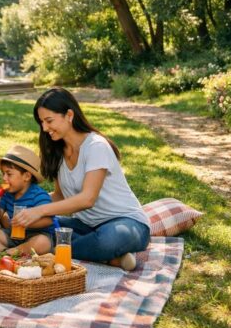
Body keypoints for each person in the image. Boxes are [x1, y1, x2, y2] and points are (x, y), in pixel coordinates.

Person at [12, 87, 150, 271]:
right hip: (87, 225)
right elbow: (60, 196)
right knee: (39, 224)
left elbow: (87, 199)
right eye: (41, 122)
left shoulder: (96, 146)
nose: (44, 128)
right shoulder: (58, 152)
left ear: (69, 115)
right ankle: (112, 258)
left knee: (108, 240)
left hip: (125, 224)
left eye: (49, 120)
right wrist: (27, 206)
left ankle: (55, 249)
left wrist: (40, 210)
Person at [0, 145, 55, 256]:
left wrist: (27, 223)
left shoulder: (39, 195)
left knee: (43, 243)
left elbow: (48, 220)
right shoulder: (8, 194)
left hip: (35, 236)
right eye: (3, 173)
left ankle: (13, 252)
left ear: (26, 176)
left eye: (9, 174)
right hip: (13, 235)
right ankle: (5, 254)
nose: (4, 178)